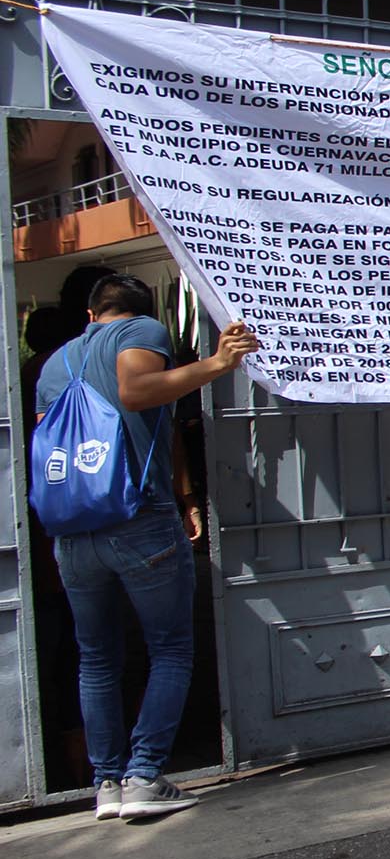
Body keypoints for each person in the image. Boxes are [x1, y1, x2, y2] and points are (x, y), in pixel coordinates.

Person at [34, 275, 259, 820]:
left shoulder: (55, 363)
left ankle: (105, 784)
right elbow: (137, 393)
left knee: (97, 659)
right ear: (138, 312)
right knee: (171, 650)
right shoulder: (142, 330)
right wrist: (215, 365)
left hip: (74, 528)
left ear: (90, 314)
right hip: (138, 519)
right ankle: (143, 776)